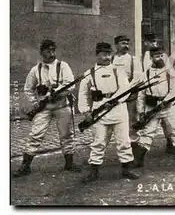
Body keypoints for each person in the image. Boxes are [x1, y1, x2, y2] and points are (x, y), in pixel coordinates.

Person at [14, 40, 82, 177]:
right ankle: (25, 166)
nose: (51, 53)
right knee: (35, 135)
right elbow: (28, 88)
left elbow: (70, 85)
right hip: (43, 108)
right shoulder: (36, 69)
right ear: (41, 52)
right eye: (47, 50)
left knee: (67, 134)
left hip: (62, 105)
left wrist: (56, 92)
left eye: (53, 50)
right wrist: (35, 102)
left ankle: (69, 163)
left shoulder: (63, 66)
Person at [78, 42, 140, 183]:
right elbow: (83, 94)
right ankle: (94, 171)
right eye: (104, 54)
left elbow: (125, 89)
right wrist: (86, 111)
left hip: (118, 107)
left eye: (109, 54)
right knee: (98, 141)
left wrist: (113, 100)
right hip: (99, 108)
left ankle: (126, 169)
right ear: (97, 55)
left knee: (124, 141)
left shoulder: (118, 71)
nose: (107, 57)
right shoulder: (89, 74)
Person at [132, 46, 175, 168]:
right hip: (151, 107)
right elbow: (141, 94)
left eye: (161, 56)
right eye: (157, 56)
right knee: (147, 133)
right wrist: (141, 111)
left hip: (169, 107)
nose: (160, 58)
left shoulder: (169, 72)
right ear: (151, 58)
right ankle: (139, 161)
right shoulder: (146, 74)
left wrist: (165, 102)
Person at [112, 35, 143, 156]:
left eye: (127, 43)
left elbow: (137, 78)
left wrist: (126, 90)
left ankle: (135, 148)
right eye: (123, 43)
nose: (126, 46)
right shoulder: (112, 59)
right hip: (114, 96)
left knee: (132, 121)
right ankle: (122, 148)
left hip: (129, 96)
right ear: (116, 45)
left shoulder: (133, 60)